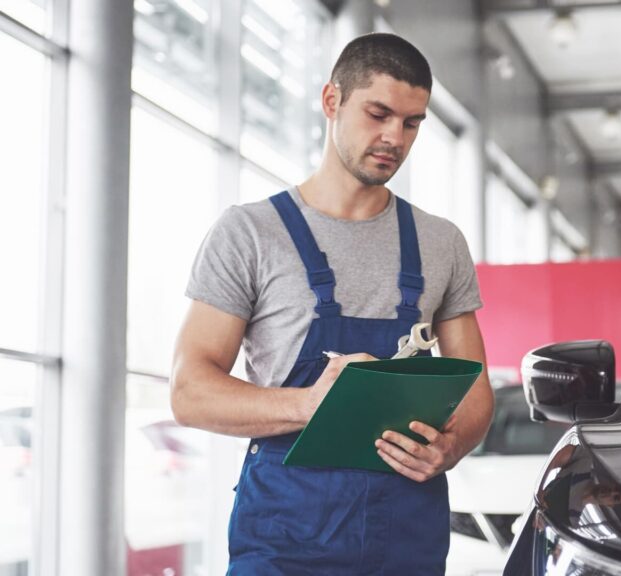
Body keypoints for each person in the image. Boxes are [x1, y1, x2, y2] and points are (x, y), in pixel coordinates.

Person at [169, 32, 494, 574]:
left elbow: (476, 386)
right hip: (285, 540)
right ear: (331, 101)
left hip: (408, 537)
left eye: (412, 122)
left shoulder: (441, 243)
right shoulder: (249, 233)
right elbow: (189, 392)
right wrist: (310, 405)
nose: (395, 136)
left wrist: (451, 446)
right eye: (379, 113)